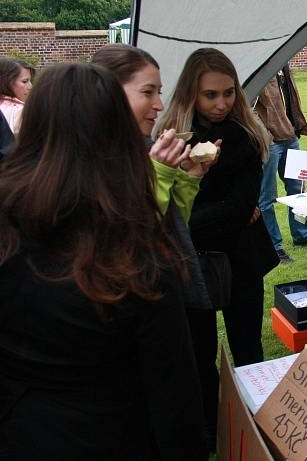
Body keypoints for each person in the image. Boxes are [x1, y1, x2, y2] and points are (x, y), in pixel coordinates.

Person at [0, 63, 206, 460]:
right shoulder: (135, 255)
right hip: (106, 436)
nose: (158, 105)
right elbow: (175, 401)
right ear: (117, 132)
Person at [155, 47, 279, 447]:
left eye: (228, 93)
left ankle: (256, 421)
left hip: (240, 261)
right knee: (199, 352)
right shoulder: (170, 142)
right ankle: (209, 429)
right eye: (211, 95)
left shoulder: (245, 135)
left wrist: (186, 222)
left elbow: (237, 207)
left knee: (247, 347)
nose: (222, 103)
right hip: (191, 267)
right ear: (191, 93)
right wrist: (202, 218)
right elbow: (168, 213)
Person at [91, 44, 215, 311]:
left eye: (158, 92)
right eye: (147, 92)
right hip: (124, 304)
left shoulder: (141, 147)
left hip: (162, 292)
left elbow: (170, 226)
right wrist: (159, 171)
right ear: (107, 92)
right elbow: (129, 235)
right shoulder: (92, 159)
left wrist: (186, 179)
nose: (159, 105)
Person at [253, 64, 307, 265]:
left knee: (297, 190)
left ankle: (301, 233)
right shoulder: (260, 69)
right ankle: (274, 245)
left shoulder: (284, 66)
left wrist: (296, 126)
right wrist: (266, 135)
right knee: (267, 197)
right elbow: (247, 106)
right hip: (271, 142)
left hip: (290, 136)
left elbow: (290, 102)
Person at [0, 56, 34, 134]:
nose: (31, 86)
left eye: (30, 81)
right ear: (7, 82)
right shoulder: (20, 111)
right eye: (25, 81)